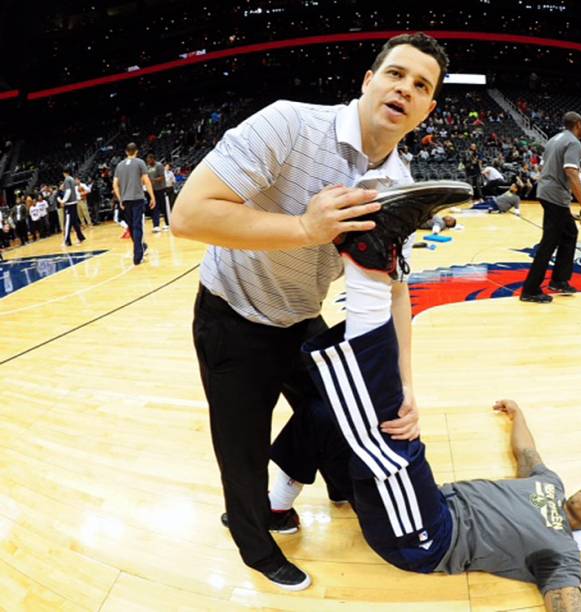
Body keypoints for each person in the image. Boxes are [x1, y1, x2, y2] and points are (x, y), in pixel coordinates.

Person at [170, 32, 450, 590]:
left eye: (421, 86)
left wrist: (406, 383)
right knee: (240, 448)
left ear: (427, 110)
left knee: (339, 413)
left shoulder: (399, 184)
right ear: (369, 81)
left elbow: (393, 287)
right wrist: (304, 228)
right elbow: (188, 214)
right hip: (234, 314)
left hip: (300, 317)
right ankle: (254, 544)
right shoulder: (288, 124)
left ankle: (305, 488)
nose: (405, 89)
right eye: (396, 74)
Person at [285, 240, 581, 606]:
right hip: (426, 502)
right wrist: (518, 414)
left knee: (398, 437)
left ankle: (369, 267)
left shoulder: (562, 553)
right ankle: (277, 503)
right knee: (324, 414)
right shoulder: (551, 484)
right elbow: (527, 453)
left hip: (430, 538)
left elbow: (566, 599)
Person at [520, 112, 581, 303]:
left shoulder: (553, 140)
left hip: (545, 190)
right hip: (556, 195)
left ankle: (559, 280)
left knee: (569, 233)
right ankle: (530, 289)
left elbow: (543, 167)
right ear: (578, 124)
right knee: (549, 242)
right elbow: (571, 172)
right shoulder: (574, 143)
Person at [113, 143, 155, 265]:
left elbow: (115, 184)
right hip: (137, 199)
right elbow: (146, 181)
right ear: (136, 151)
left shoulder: (119, 165)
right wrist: (152, 197)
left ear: (126, 152)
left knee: (131, 227)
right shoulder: (140, 162)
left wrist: (120, 199)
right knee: (137, 227)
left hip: (125, 201)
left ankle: (141, 247)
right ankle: (138, 256)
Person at [59, 168, 86, 247]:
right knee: (74, 222)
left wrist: (63, 201)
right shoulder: (72, 179)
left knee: (68, 223)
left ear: (64, 173)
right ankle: (81, 237)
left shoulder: (67, 180)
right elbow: (74, 191)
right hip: (74, 202)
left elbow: (68, 191)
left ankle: (67, 241)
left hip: (70, 204)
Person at [146, 153, 170, 232]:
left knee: (163, 207)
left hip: (161, 189)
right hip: (153, 190)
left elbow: (162, 177)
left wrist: (153, 181)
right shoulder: (148, 168)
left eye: (149, 160)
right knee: (154, 207)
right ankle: (156, 225)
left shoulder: (159, 165)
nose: (148, 162)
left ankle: (168, 224)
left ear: (153, 159)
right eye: (147, 160)